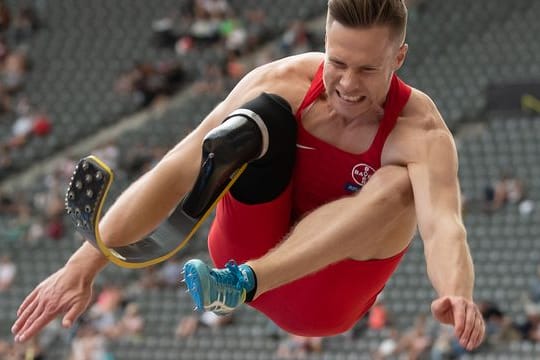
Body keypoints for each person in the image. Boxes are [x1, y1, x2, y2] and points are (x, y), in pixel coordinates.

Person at [12, 0, 485, 351]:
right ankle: (231, 213)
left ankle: (241, 282)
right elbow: (180, 163)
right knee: (257, 120)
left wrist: (456, 294)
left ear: (398, 59)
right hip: (243, 246)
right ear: (323, 44)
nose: (346, 84)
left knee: (400, 185)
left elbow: (444, 225)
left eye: (367, 70)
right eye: (337, 63)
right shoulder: (282, 78)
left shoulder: (420, 131)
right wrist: (83, 265)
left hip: (323, 298)